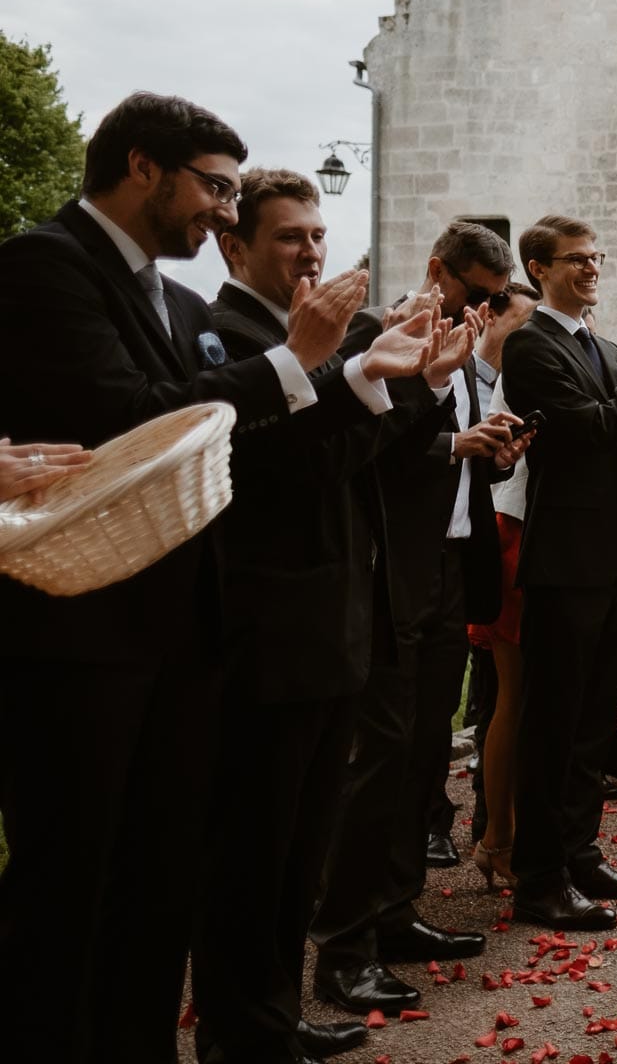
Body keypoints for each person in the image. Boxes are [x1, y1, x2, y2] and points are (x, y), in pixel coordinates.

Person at [0, 93, 363, 1062]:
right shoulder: (46, 265)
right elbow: (133, 419)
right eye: (213, 186)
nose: (221, 210)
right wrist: (294, 362)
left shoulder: (175, 300)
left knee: (157, 892)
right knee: (69, 894)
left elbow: (226, 438)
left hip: (181, 636)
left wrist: (349, 380)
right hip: (81, 638)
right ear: (140, 165)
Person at [193, 167, 466, 1064]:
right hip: (266, 628)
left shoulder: (305, 341)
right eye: (287, 236)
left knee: (296, 856)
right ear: (234, 245)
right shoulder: (221, 338)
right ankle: (245, 1032)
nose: (311, 250)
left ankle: (271, 1018)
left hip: (338, 617)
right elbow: (284, 473)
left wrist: (406, 378)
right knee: (256, 854)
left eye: (317, 234)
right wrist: (353, 371)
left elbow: (354, 458)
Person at [311, 222, 512, 1015]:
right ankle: (344, 941)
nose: (486, 310)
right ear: (437, 271)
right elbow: (372, 452)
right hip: (392, 571)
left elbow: (438, 444)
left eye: (496, 300)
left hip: (450, 563)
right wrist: (449, 433)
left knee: (423, 750)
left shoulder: (459, 347)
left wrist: (487, 446)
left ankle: (396, 913)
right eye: (477, 292)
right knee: (378, 761)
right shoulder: (376, 334)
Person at [500, 213, 617, 930]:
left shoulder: (607, 346)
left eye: (596, 257)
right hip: (564, 559)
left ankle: (581, 854)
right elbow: (597, 430)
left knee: (591, 723)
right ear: (539, 269)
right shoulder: (531, 347)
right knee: (553, 722)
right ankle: (538, 878)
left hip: (616, 555)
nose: (591, 268)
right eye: (575, 259)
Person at [465, 283, 541, 885]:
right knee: (509, 696)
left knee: (520, 696)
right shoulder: (479, 376)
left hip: (521, 526)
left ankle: (507, 831)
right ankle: (498, 836)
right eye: (523, 325)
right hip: (505, 528)